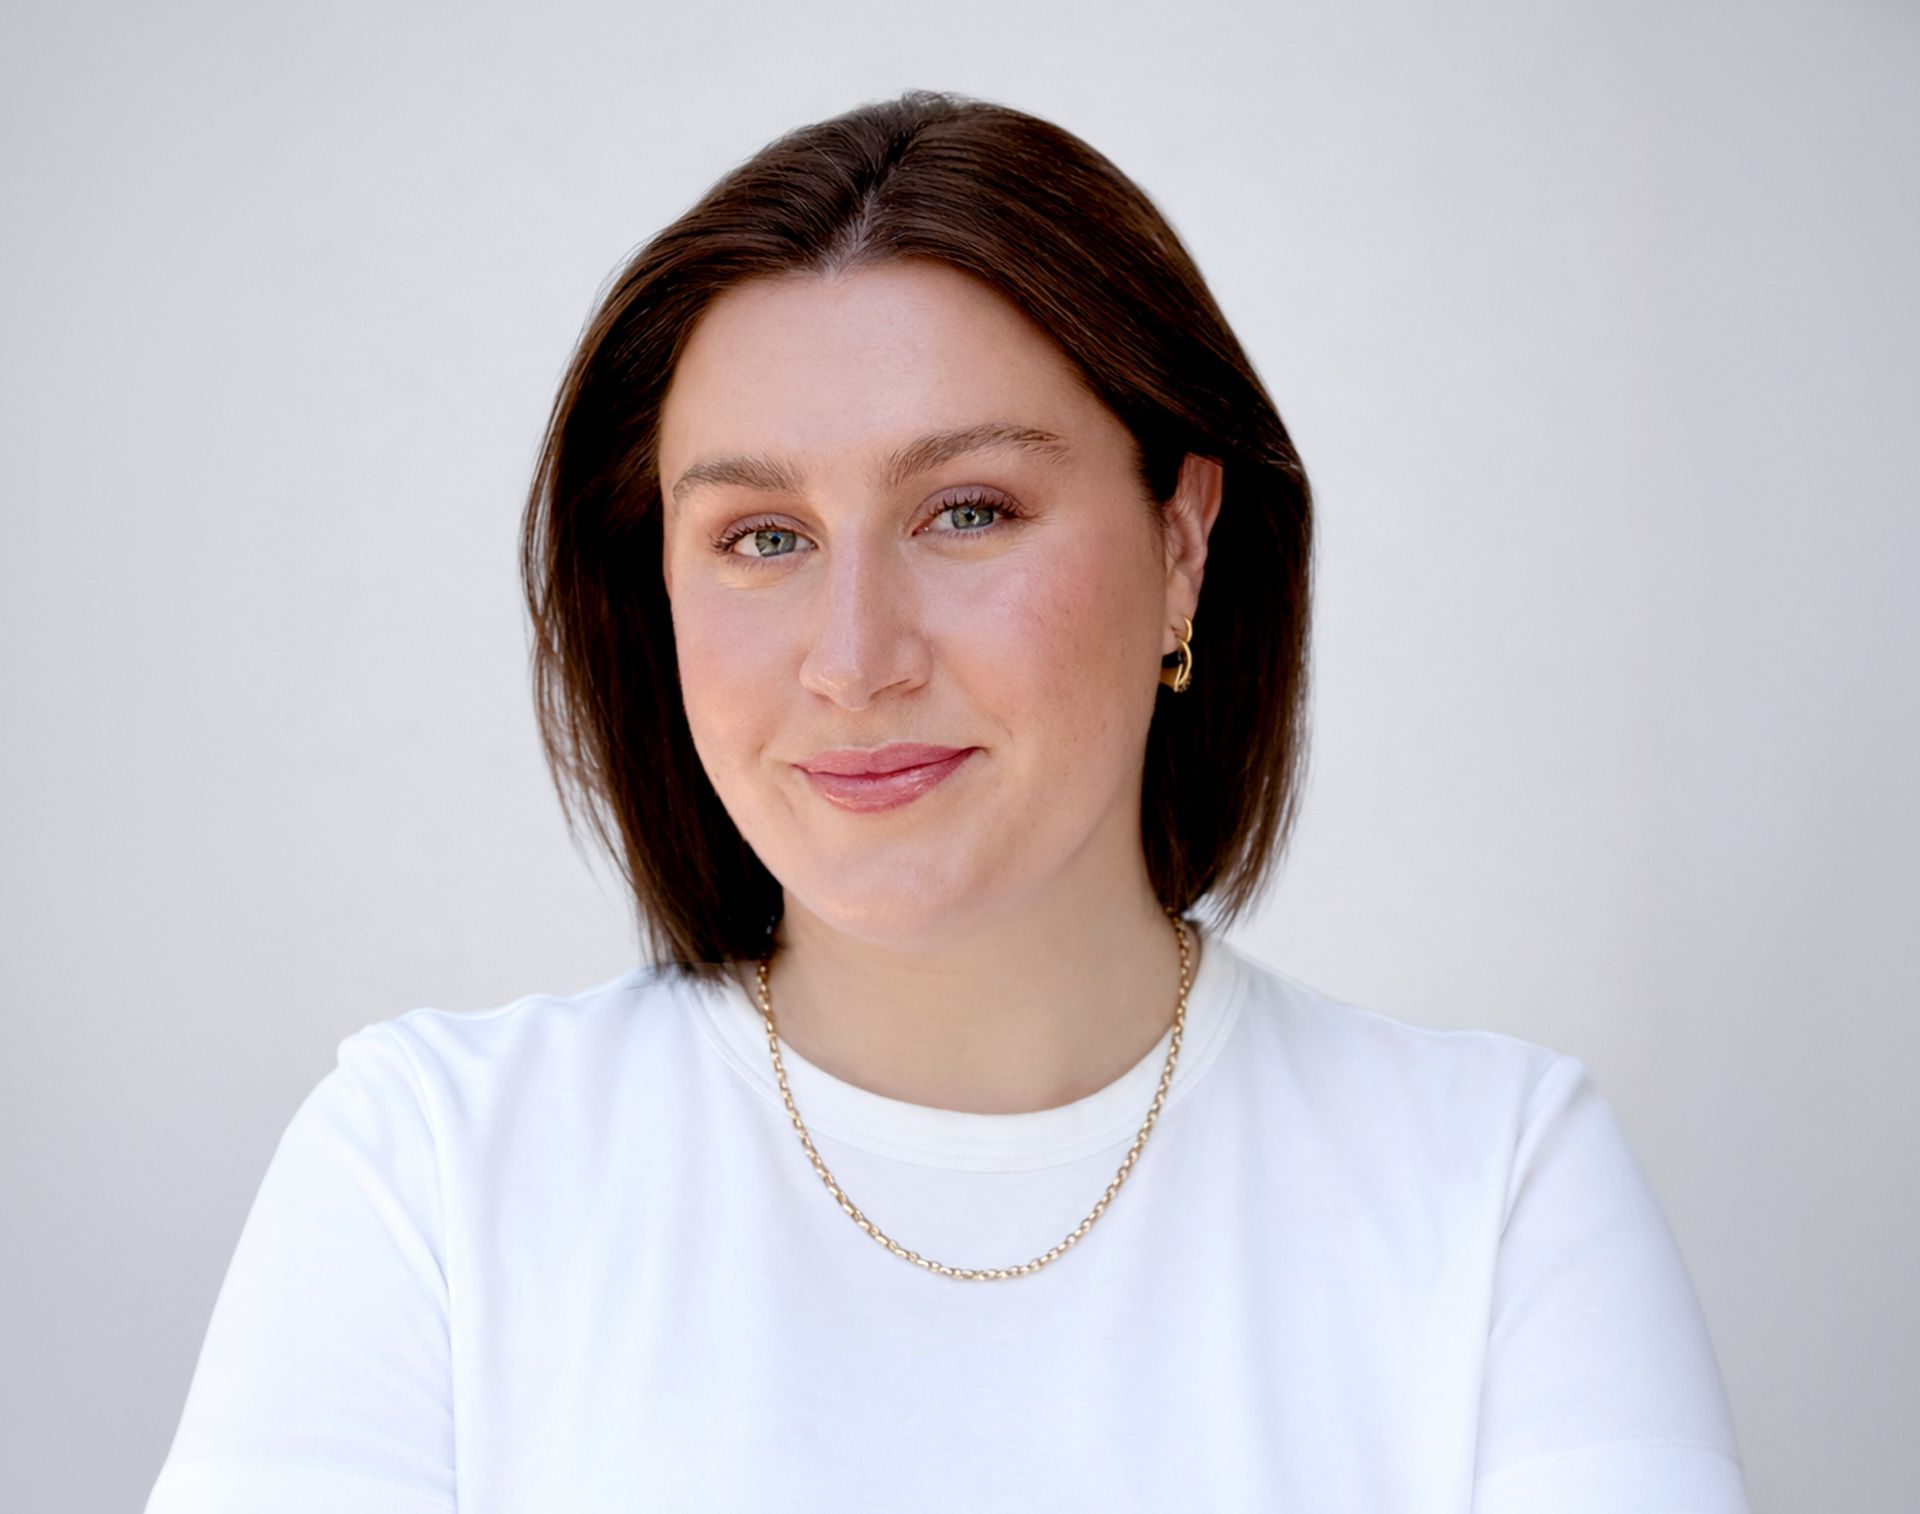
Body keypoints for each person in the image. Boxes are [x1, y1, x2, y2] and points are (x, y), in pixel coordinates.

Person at [143, 90, 1752, 1512]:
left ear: (1182, 539)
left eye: (967, 510)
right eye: (761, 536)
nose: (854, 659)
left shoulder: (1497, 1191)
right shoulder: (430, 1172)